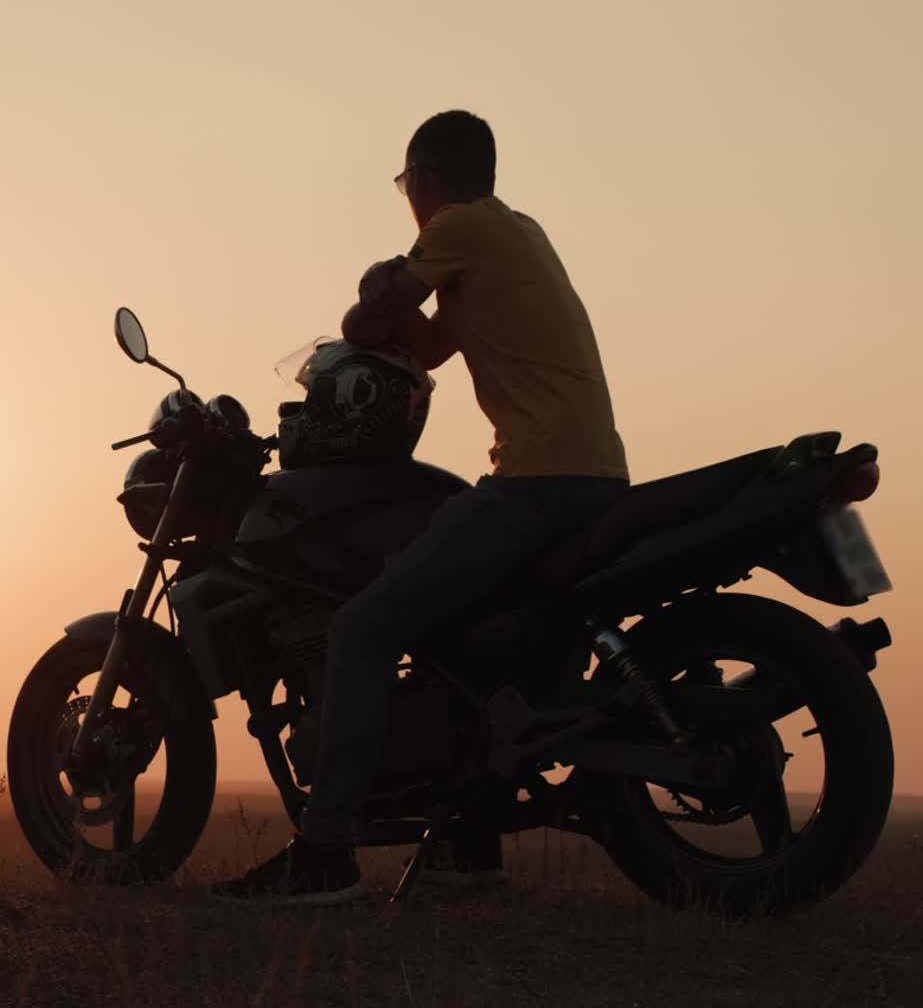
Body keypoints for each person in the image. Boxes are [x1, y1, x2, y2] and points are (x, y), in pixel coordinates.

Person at [212, 110, 629, 904]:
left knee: (363, 628)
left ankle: (326, 851)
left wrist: (378, 286)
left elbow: (365, 323)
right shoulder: (515, 232)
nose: (408, 197)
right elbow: (427, 347)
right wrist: (396, 310)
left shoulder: (458, 227)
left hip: (537, 478)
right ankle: (466, 848)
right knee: (471, 647)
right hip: (594, 475)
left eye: (406, 184)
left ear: (425, 181)